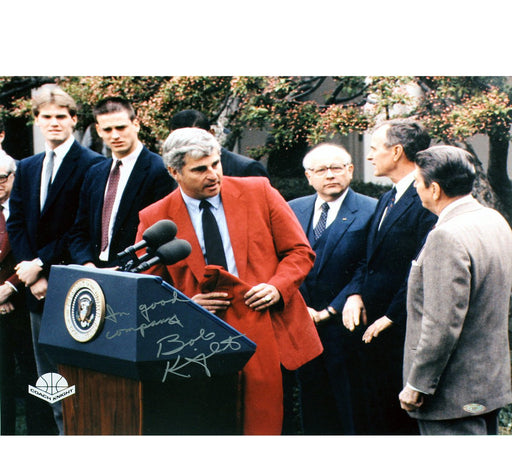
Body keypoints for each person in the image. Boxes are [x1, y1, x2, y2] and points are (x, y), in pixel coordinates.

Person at [135, 127, 322, 435]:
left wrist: (277, 286)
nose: (213, 175)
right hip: (197, 338)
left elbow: (300, 252)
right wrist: (186, 306)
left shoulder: (259, 191)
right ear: (174, 171)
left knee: (271, 422)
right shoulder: (155, 217)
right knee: (213, 423)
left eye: (215, 164)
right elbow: (148, 286)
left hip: (267, 327)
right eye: (199, 169)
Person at [6, 85, 104, 434]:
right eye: (46, 117)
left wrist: (42, 266)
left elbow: (83, 227)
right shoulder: (28, 167)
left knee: (80, 374)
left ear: (74, 120)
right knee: (47, 379)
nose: (54, 123)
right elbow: (15, 222)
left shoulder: (94, 164)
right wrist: (30, 272)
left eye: (61, 117)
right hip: (36, 290)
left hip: (75, 285)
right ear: (37, 121)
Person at [399, 145, 512, 435]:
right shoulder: (493, 219)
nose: (415, 189)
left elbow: (441, 324)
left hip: (450, 392)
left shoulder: (446, 235)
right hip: (486, 384)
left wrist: (417, 384)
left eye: (417, 183)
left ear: (434, 189)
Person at [342, 119, 437, 434]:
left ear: (396, 152)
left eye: (373, 148)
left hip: (400, 333)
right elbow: (368, 259)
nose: (369, 157)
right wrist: (354, 293)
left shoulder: (425, 198)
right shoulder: (387, 198)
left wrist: (392, 316)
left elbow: (420, 267)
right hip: (371, 331)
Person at [288, 143, 377, 434]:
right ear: (308, 176)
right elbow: (283, 259)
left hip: (346, 328)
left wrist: (331, 309)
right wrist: (301, 308)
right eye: (321, 170)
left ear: (350, 171)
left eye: (337, 167)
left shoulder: (370, 210)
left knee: (349, 409)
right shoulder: (293, 209)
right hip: (302, 324)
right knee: (313, 408)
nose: (330, 175)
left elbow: (369, 263)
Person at [69, 97, 176, 268]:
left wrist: (124, 268)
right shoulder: (94, 173)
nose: (115, 135)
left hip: (134, 272)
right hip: (93, 271)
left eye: (121, 127)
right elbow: (79, 230)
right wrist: (87, 264)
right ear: (98, 130)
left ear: (136, 124)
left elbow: (160, 234)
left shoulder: (159, 170)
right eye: (108, 129)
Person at [0, 154, 55, 434]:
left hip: (26, 302)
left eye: (1, 179)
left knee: (36, 379)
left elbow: (30, 250)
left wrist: (9, 288)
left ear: (13, 177)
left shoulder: (25, 208)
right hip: (1, 309)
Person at [169, 109, 269, 178]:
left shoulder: (246, 169)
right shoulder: (174, 172)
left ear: (211, 134)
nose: (185, 147)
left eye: (191, 140)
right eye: (177, 141)